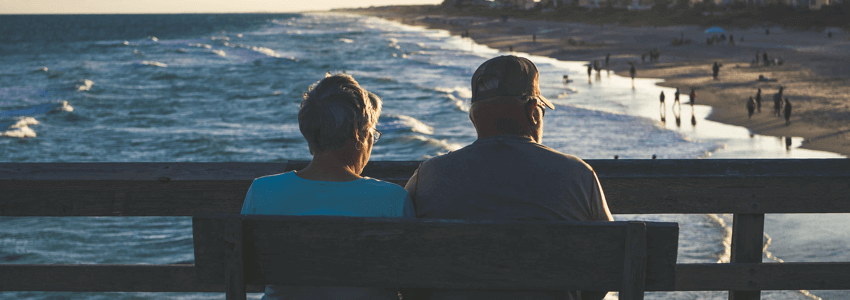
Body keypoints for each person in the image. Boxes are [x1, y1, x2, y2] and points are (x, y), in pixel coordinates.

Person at [404, 55, 613, 300]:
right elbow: (612, 259)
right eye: (542, 110)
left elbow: (403, 262)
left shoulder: (427, 176)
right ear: (534, 113)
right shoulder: (579, 175)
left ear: (474, 117)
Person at [240, 74, 414, 300]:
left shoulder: (262, 192)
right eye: (373, 135)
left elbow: (244, 271)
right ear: (358, 135)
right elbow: (414, 283)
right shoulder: (392, 200)